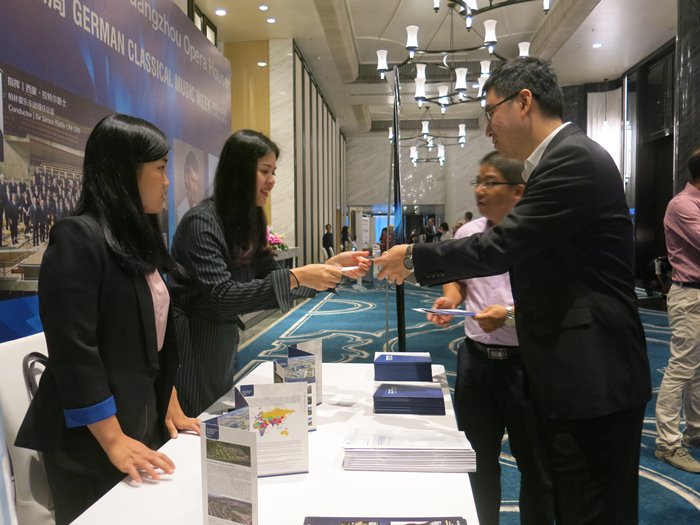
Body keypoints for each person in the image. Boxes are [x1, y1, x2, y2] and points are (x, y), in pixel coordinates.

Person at [376, 57, 651, 524]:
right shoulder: (558, 160)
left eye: (490, 112)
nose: (488, 128)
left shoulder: (572, 158)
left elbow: (502, 246)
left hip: (594, 372)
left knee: (592, 506)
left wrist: (413, 257)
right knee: (569, 500)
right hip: (571, 368)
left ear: (524, 101)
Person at [15, 114, 200, 525]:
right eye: (160, 168)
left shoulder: (135, 239)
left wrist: (167, 397)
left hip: (137, 417)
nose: (167, 181)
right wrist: (113, 439)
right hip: (89, 440)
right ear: (124, 172)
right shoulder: (78, 237)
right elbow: (74, 349)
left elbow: (152, 334)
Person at [169, 129, 369, 416]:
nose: (272, 181)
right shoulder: (201, 222)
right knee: (197, 422)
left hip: (221, 344)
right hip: (194, 346)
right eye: (264, 171)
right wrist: (297, 276)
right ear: (239, 172)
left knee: (214, 418)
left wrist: (331, 267)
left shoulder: (243, 222)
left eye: (273, 172)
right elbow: (222, 296)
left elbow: (273, 275)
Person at [428, 152, 552, 525]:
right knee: (476, 460)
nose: (480, 190)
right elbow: (458, 279)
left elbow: (558, 301)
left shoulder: (540, 237)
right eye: (478, 182)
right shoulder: (468, 233)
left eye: (490, 182)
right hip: (476, 361)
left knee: (536, 466)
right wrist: (451, 299)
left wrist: (510, 314)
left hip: (528, 364)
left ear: (518, 191)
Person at [655, 146, 700, 473]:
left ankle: (695, 431)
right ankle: (667, 443)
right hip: (690, 296)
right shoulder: (682, 205)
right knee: (681, 368)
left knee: (697, 370)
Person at [176, 150, 203, 223]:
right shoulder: (180, 211)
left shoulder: (197, 210)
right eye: (193, 181)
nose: (196, 189)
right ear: (186, 178)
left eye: (197, 182)